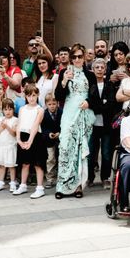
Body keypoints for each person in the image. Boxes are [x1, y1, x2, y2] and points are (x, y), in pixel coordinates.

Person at [54, 45, 96, 198]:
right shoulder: (64, 73)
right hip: (69, 113)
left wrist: (88, 102)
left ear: (84, 57)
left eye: (80, 56)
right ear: (71, 58)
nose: (77, 59)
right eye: (74, 57)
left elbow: (95, 96)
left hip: (83, 113)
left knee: (79, 149)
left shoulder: (90, 75)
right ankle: (62, 185)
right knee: (65, 146)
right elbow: (58, 96)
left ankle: (78, 186)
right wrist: (64, 80)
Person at [13, 83, 47, 198]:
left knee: (38, 164)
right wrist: (18, 139)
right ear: (25, 97)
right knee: (25, 163)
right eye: (29, 96)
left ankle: (40, 188)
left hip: (36, 137)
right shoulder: (22, 109)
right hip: (23, 136)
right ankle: (23, 185)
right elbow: (19, 124)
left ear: (37, 95)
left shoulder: (40, 110)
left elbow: (35, 125)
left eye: (33, 95)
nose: (31, 98)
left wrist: (30, 141)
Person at [88, 57, 116, 189]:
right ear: (92, 70)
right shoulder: (89, 85)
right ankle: (90, 177)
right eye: (97, 67)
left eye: (102, 67)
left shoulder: (110, 86)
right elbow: (89, 104)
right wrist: (100, 104)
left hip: (106, 126)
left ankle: (105, 178)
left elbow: (111, 105)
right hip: (92, 125)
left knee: (106, 153)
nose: (99, 70)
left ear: (105, 69)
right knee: (91, 153)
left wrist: (97, 105)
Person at [0, 98, 18, 192]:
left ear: (13, 110)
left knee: (11, 165)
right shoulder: (1, 119)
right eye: (5, 109)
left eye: (10, 109)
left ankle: (12, 182)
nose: (8, 112)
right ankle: (1, 182)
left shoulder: (15, 120)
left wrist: (7, 127)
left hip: (10, 146)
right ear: (2, 110)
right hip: (1, 146)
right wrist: (2, 127)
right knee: (2, 165)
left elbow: (14, 133)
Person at [41, 92, 62, 189]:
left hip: (60, 139)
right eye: (49, 104)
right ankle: (50, 179)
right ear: (46, 104)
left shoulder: (61, 112)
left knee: (61, 158)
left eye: (54, 104)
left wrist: (59, 133)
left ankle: (61, 178)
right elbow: (43, 127)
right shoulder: (44, 114)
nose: (52, 106)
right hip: (49, 141)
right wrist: (49, 133)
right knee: (50, 159)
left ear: (57, 103)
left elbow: (64, 125)